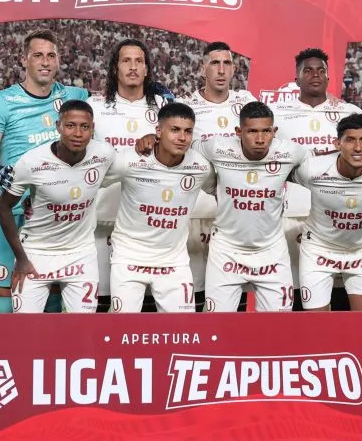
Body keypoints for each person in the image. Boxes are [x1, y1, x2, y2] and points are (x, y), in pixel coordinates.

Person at [0, 30, 90, 314]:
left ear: (58, 60)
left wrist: (156, 93)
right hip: (13, 211)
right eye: (38, 55)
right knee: (4, 288)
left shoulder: (75, 96)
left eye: (51, 56)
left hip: (56, 215)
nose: (45, 62)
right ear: (24, 60)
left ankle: (47, 343)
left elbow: (117, 99)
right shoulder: (3, 101)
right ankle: (4, 342)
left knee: (51, 289)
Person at [0, 100, 116, 313]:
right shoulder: (32, 162)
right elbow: (3, 207)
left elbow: (135, 168)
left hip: (81, 254)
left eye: (84, 127)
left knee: (85, 328)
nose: (77, 133)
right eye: (70, 126)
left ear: (92, 129)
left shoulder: (104, 154)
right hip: (35, 254)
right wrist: (21, 258)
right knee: (25, 328)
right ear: (58, 126)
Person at [271, 48, 362, 311]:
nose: (315, 75)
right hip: (292, 215)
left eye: (321, 70)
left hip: (340, 216)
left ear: (328, 77)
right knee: (298, 291)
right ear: (296, 78)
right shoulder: (276, 113)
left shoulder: (349, 113)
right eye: (308, 70)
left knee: (341, 290)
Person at [194, 101, 308, 312]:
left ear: (274, 131)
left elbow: (322, 166)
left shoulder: (290, 152)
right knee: (217, 324)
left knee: (278, 326)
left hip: (272, 251)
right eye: (252, 131)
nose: (260, 139)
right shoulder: (217, 147)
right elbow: (186, 150)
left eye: (266, 131)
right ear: (239, 132)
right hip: (226, 251)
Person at [102, 102, 215, 313]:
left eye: (188, 131)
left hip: (174, 261)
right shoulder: (130, 160)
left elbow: (223, 191)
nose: (182, 137)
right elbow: (89, 181)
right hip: (129, 257)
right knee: (122, 327)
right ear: (159, 131)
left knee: (183, 328)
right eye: (175, 130)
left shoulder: (200, 167)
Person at [290, 114, 362, 311]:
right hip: (318, 250)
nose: (358, 147)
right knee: (316, 325)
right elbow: (276, 173)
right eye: (350, 140)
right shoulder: (313, 169)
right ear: (338, 144)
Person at [88, 39, 169, 313]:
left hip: (150, 228)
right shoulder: (95, 107)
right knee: (100, 308)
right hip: (101, 223)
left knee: (147, 311)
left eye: (139, 61)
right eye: (126, 61)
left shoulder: (164, 109)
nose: (133, 67)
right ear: (115, 68)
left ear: (147, 69)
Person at [182, 41, 258, 310]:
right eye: (215, 63)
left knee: (233, 288)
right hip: (196, 210)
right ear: (203, 68)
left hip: (237, 212)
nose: (221, 70)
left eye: (227, 63)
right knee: (195, 288)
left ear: (234, 68)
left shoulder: (247, 102)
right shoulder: (186, 106)